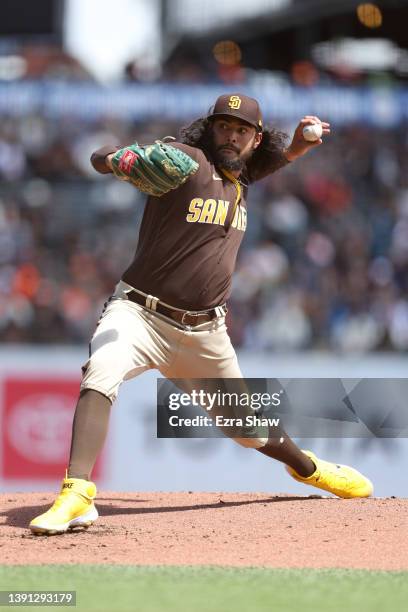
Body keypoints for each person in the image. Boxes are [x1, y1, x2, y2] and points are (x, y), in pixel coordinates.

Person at [29, 94, 373, 535]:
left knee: (247, 428)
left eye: (242, 129)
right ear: (209, 128)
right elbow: (99, 159)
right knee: (101, 370)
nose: (232, 135)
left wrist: (303, 144)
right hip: (140, 314)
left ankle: (309, 468)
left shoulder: (242, 174)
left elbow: (274, 160)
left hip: (204, 333)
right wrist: (116, 157)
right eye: (224, 126)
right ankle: (76, 493)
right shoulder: (186, 161)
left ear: (255, 139)